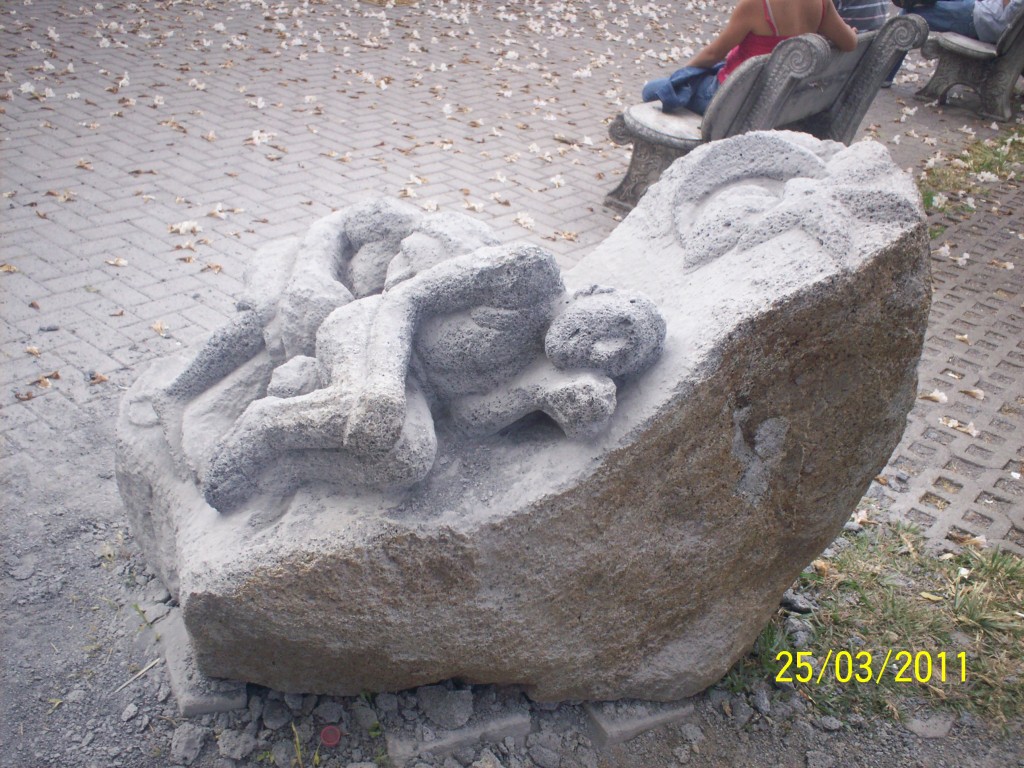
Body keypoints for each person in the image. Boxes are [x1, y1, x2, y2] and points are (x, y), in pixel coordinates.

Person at [644, 0, 858, 114]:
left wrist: (680, 77)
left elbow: (713, 53)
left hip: (734, 99)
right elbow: (850, 43)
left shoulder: (756, 5)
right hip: (784, 101)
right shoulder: (821, 3)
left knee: (653, 90)